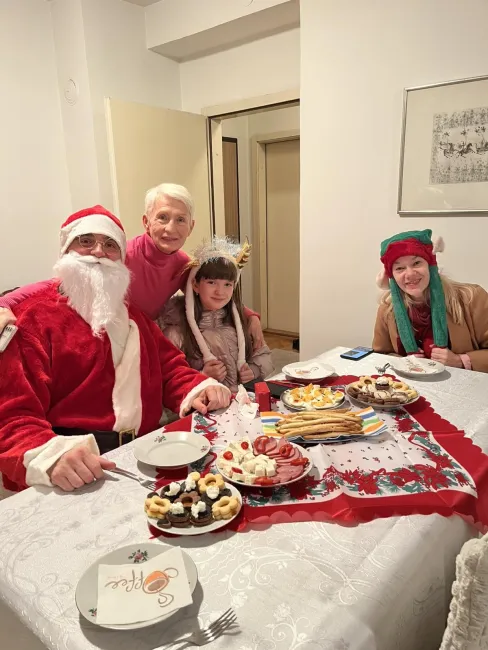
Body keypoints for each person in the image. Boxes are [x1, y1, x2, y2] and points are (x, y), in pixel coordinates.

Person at [0, 206, 230, 493]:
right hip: (74, 469)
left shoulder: (133, 316)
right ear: (66, 249)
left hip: (147, 455)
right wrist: (51, 456)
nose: (98, 252)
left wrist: (198, 388)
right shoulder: (32, 321)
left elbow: (170, 368)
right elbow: (12, 416)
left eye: (110, 245)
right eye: (86, 241)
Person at [0, 183, 265, 349]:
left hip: (140, 339)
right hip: (97, 337)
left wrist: (251, 316)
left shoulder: (184, 265)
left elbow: (212, 293)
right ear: (146, 222)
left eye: (180, 220)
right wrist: (5, 303)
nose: (171, 228)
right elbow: (58, 284)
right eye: (162, 217)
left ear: (191, 227)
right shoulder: (118, 253)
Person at [160, 237, 274, 392]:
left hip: (245, 401)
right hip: (206, 404)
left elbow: (264, 354)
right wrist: (202, 376)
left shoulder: (242, 321)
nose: (220, 292)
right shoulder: (176, 332)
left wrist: (254, 370)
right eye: (211, 282)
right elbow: (168, 379)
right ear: (195, 285)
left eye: (227, 284)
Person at [373, 229, 488, 372]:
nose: (410, 274)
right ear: (392, 276)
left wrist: (461, 360)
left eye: (416, 263)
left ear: (431, 265)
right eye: (400, 268)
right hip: (410, 384)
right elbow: (380, 354)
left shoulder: (472, 298)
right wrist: (403, 362)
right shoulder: (387, 309)